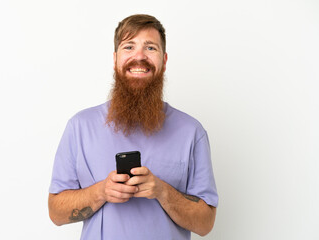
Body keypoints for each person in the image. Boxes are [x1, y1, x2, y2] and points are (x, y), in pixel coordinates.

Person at [48, 14, 218, 240]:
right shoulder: (80, 127)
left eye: (150, 48)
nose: (139, 56)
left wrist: (161, 190)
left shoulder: (192, 132)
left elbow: (205, 224)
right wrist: (102, 191)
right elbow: (56, 213)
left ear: (164, 60)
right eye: (129, 47)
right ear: (115, 58)